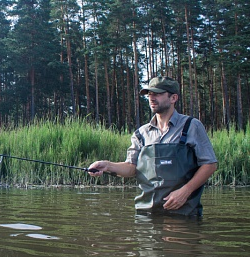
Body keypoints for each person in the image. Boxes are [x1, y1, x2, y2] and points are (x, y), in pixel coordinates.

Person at [88, 76, 217, 216]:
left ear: (173, 98)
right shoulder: (141, 133)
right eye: (149, 94)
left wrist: (185, 191)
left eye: (158, 93)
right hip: (146, 214)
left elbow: (210, 164)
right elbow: (131, 168)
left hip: (184, 213)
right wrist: (107, 165)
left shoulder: (192, 126)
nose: (151, 98)